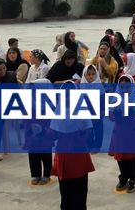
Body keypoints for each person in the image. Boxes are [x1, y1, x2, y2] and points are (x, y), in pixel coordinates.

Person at [50, 82, 95, 210]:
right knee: (65, 192)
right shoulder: (58, 111)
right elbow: (53, 133)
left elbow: (88, 130)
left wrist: (78, 138)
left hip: (78, 153)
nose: (68, 97)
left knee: (80, 191)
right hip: (63, 154)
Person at [109, 75, 135, 193]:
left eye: (127, 88)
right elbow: (110, 113)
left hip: (131, 131)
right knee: (121, 155)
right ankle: (123, 177)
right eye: (122, 87)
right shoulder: (115, 99)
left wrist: (128, 118)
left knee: (132, 156)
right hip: (119, 131)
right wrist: (116, 116)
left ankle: (133, 179)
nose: (124, 90)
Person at [24, 78, 55, 185]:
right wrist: (29, 129)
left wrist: (46, 130)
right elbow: (26, 118)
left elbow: (52, 121)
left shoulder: (50, 105)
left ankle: (47, 174)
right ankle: (36, 174)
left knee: (46, 155)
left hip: (45, 134)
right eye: (32, 92)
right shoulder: (29, 104)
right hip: (31, 134)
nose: (33, 94)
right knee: (33, 155)